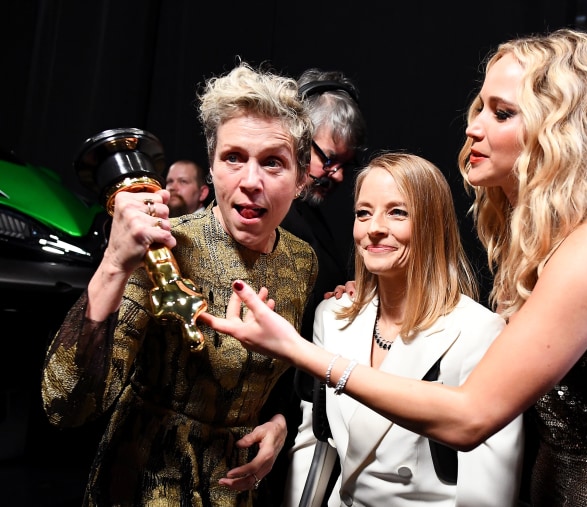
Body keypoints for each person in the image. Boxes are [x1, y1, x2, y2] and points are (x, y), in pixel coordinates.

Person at [201, 28, 587, 506]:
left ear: (560, 130)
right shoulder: (551, 247)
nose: (474, 127)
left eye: (502, 113)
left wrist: (298, 349)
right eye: (480, 108)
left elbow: (470, 418)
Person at [40, 61, 317, 506]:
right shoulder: (164, 250)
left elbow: (282, 374)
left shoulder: (301, 260)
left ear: (301, 178)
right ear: (211, 166)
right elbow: (66, 405)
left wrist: (280, 423)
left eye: (273, 163)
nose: (250, 181)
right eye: (233, 158)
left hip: (232, 491)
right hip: (141, 486)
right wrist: (115, 263)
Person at [283, 152, 523, 506]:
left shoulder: (478, 331)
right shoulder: (331, 317)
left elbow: (488, 490)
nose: (374, 227)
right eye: (363, 213)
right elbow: (315, 442)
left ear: (432, 224)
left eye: (397, 212)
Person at [271, 68, 368, 504]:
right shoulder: (270, 214)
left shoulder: (312, 218)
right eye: (327, 158)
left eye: (345, 165)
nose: (336, 175)